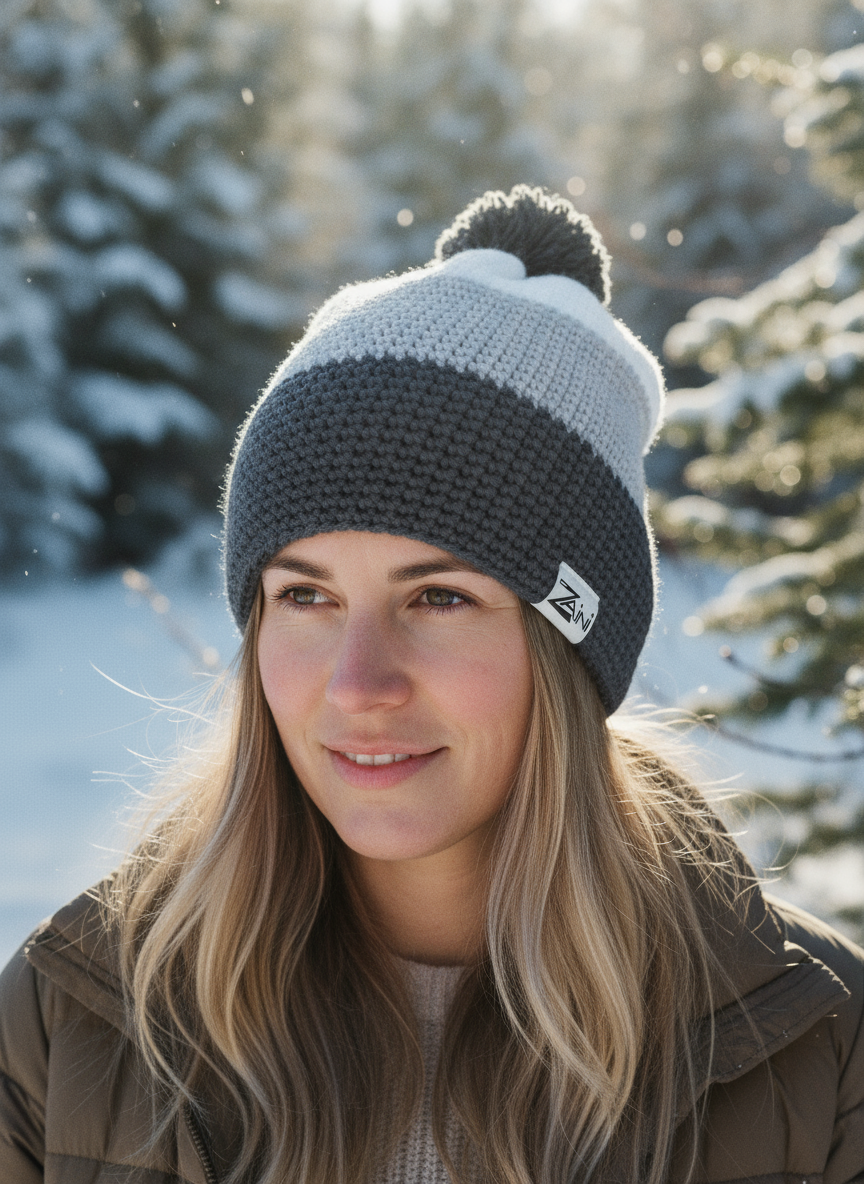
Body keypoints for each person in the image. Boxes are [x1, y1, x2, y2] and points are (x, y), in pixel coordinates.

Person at [0, 186, 862, 1184]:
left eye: (441, 597)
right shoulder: (73, 1025)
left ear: (570, 644)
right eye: (306, 596)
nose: (359, 683)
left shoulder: (814, 1051)